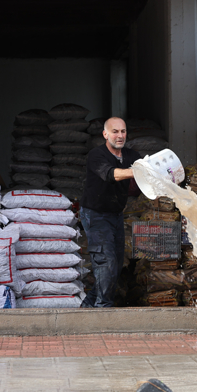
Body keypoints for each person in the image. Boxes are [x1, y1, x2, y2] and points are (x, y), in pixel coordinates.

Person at [80, 117, 140, 308]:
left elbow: (149, 168)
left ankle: (87, 308)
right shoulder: (96, 155)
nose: (120, 135)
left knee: (114, 266)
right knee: (106, 262)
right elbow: (111, 174)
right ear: (105, 134)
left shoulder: (131, 156)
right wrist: (138, 172)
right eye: (115, 131)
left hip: (116, 214)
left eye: (123, 131)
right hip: (95, 214)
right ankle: (103, 310)